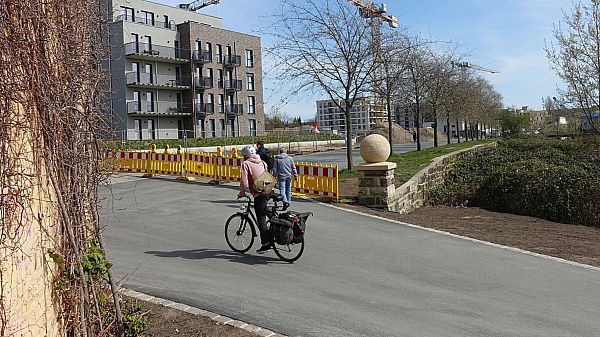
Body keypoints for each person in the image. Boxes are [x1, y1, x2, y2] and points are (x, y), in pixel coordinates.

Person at [238, 145, 272, 254]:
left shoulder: (246, 164)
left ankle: (266, 244)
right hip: (269, 190)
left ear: (246, 156)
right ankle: (273, 229)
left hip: (259, 193)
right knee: (267, 212)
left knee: (261, 218)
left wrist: (242, 193)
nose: (243, 158)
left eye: (243, 156)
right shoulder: (262, 162)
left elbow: (244, 182)